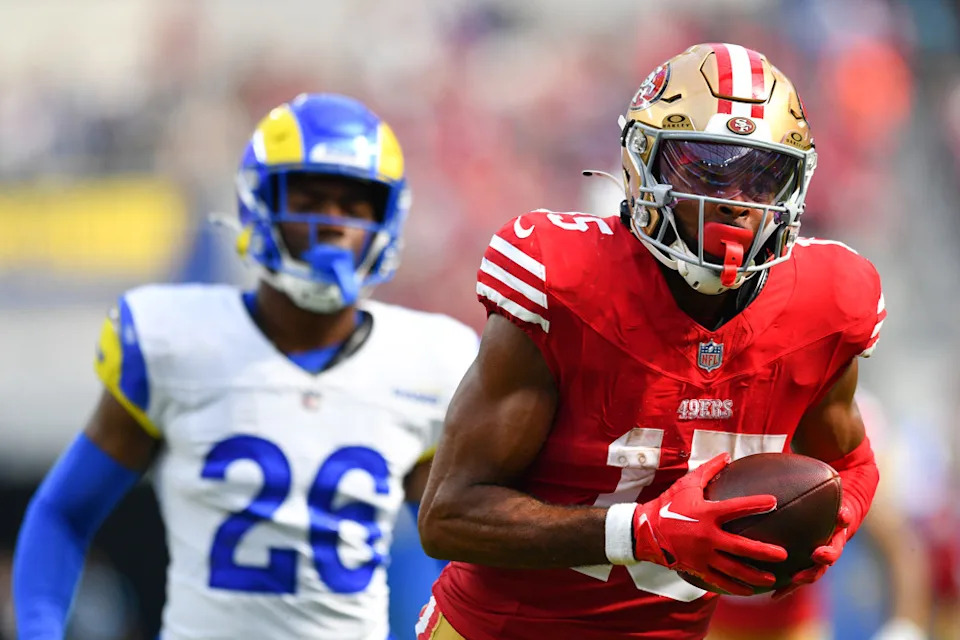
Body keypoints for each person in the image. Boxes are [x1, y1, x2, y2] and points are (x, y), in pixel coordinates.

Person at [416, 43, 885, 640]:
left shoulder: (827, 302)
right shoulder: (567, 281)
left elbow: (851, 462)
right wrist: (640, 532)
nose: (735, 201)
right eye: (707, 168)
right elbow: (448, 515)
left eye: (762, 175)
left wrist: (839, 517)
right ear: (643, 164)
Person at [13, 93, 478, 640]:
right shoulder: (174, 340)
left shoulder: (431, 360)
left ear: (387, 219)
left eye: (354, 206)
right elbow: (64, 513)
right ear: (260, 206)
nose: (333, 224)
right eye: (310, 200)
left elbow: (463, 552)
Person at [707, 390, 931, 640]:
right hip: (710, 611)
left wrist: (904, 628)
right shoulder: (719, 401)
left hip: (793, 618)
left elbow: (894, 537)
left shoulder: (826, 407)